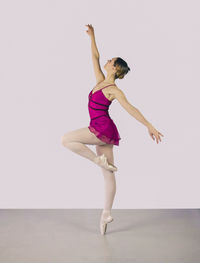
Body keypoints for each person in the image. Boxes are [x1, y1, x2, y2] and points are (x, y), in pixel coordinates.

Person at [61, 24, 164, 235]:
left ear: (115, 68)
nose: (107, 61)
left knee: (66, 139)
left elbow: (131, 109)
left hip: (101, 129)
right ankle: (106, 214)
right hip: (103, 131)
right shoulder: (100, 80)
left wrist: (149, 125)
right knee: (108, 174)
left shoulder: (114, 90)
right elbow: (95, 58)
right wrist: (92, 37)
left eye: (111, 61)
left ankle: (96, 160)